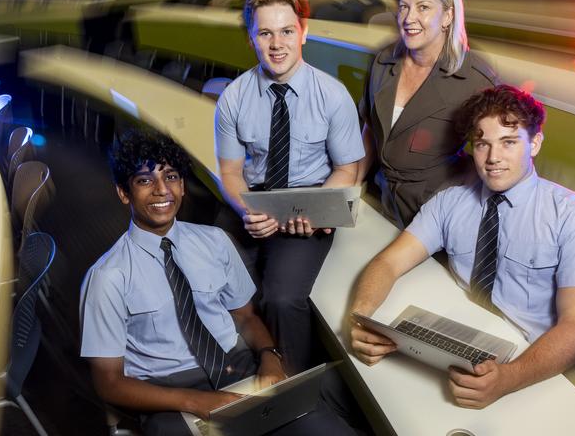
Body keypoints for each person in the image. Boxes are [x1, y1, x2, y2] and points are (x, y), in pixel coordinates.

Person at [79, 128, 363, 435]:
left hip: (238, 369)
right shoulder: (106, 277)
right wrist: (197, 401)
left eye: (171, 176)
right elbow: (109, 383)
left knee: (320, 426)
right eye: (145, 180)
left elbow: (246, 317)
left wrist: (270, 357)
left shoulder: (215, 241)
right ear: (124, 192)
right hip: (170, 394)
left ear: (183, 186)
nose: (162, 190)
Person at [349, 85, 575, 408]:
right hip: (460, 337)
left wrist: (509, 378)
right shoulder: (450, 202)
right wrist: (361, 318)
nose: (493, 158)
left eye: (509, 142)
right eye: (482, 144)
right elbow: (388, 263)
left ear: (535, 144)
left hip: (529, 358)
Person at [215, 0, 365, 373]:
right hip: (254, 198)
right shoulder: (234, 97)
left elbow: (348, 169)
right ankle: (237, 366)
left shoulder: (333, 96)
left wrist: (316, 210)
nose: (276, 43)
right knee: (212, 274)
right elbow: (230, 171)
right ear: (251, 39)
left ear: (303, 33)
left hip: (308, 202)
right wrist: (247, 209)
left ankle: (292, 380)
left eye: (286, 31)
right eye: (265, 32)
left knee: (282, 298)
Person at [357, 0, 498, 229]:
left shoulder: (476, 79)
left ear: (447, 15)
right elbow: (369, 132)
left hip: (436, 214)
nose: (409, 18)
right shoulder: (382, 61)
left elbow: (495, 155)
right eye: (403, 6)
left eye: (423, 7)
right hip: (381, 200)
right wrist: (350, 189)